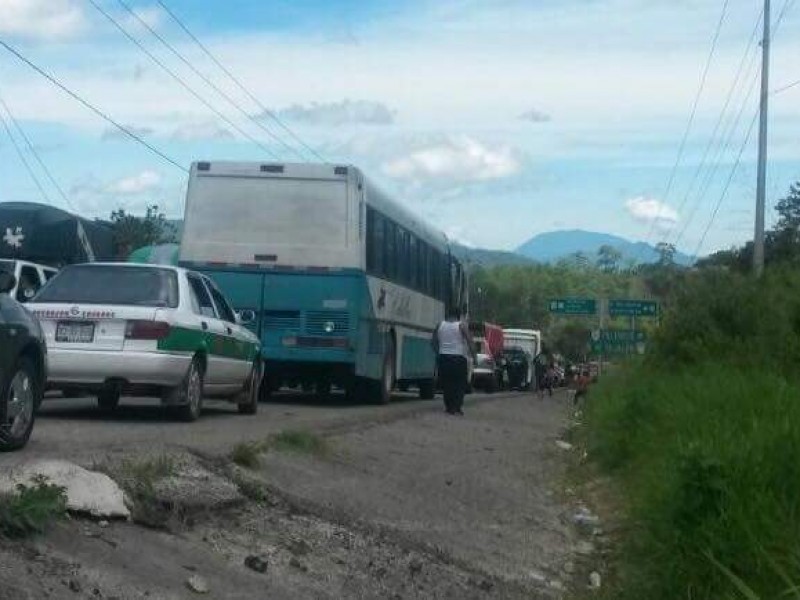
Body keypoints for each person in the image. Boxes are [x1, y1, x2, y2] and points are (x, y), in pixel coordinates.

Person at [432, 308, 476, 416]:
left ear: (447, 315)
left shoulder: (440, 325)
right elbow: (470, 341)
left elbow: (433, 342)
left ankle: (449, 406)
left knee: (447, 384)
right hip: (458, 358)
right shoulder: (461, 326)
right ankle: (456, 406)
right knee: (460, 383)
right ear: (458, 316)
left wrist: (439, 352)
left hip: (443, 358)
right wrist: (474, 355)